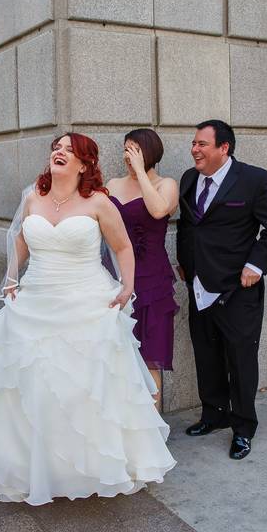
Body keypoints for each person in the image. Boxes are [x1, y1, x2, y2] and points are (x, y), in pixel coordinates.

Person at [0, 133, 175, 506]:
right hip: (36, 300)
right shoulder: (33, 196)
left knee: (83, 388)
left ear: (84, 164)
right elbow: (20, 242)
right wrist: (12, 279)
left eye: (69, 149)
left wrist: (127, 286)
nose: (59, 152)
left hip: (86, 301)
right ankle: (34, 466)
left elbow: (122, 246)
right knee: (32, 383)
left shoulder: (98, 201)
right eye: (57, 147)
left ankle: (85, 467)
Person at [176, 120, 267, 460]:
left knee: (240, 361)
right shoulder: (188, 179)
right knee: (206, 354)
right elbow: (187, 224)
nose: (195, 149)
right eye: (194, 143)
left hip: (238, 289)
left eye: (202, 144)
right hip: (198, 286)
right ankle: (214, 415)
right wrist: (186, 261)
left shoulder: (254, 179)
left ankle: (243, 428)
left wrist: (255, 267)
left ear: (223, 148)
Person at [105, 128, 179, 408]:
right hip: (113, 275)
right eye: (125, 149)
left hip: (152, 280)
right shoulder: (112, 183)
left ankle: (154, 434)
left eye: (134, 149)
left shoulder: (166, 184)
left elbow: (159, 210)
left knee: (150, 358)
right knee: (116, 358)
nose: (127, 155)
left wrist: (141, 174)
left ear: (150, 152)